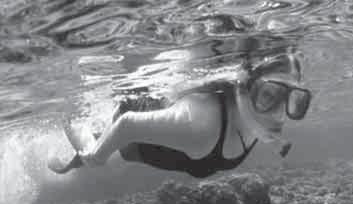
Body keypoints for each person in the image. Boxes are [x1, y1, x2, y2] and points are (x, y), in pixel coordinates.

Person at [48, 52, 311, 178]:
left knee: (111, 158)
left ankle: (72, 162)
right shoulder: (200, 125)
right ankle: (68, 121)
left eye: (293, 100)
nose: (280, 115)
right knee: (97, 157)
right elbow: (127, 125)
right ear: (243, 85)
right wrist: (98, 155)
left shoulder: (255, 118)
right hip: (137, 125)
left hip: (159, 150)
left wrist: (276, 141)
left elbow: (265, 125)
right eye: (268, 95)